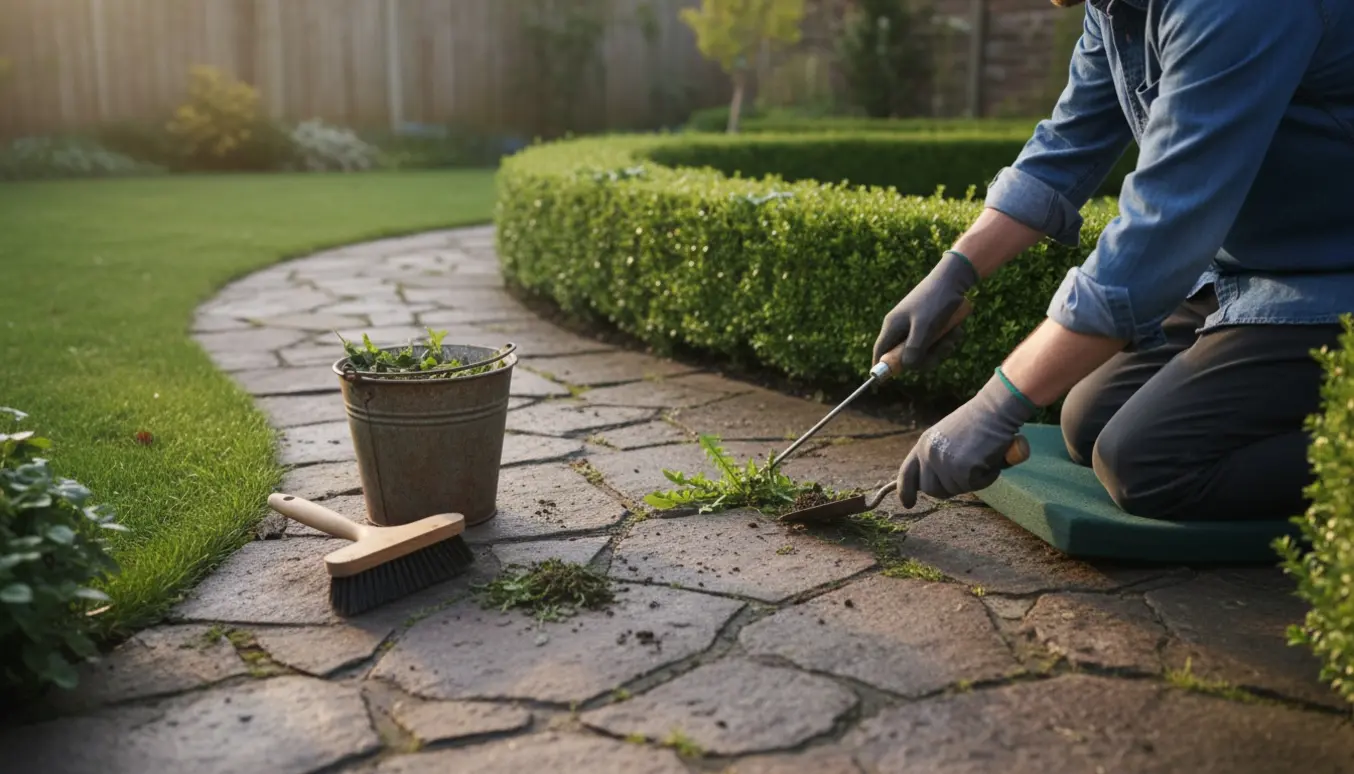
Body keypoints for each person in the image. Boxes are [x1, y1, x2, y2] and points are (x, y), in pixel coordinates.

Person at [872, 0, 1354, 521]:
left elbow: (1163, 226)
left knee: (1147, 465)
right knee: (1087, 421)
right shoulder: (1112, 8)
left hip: (1329, 280)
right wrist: (955, 271)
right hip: (1254, 272)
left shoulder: (1236, 8)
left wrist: (996, 404)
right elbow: (1066, 146)